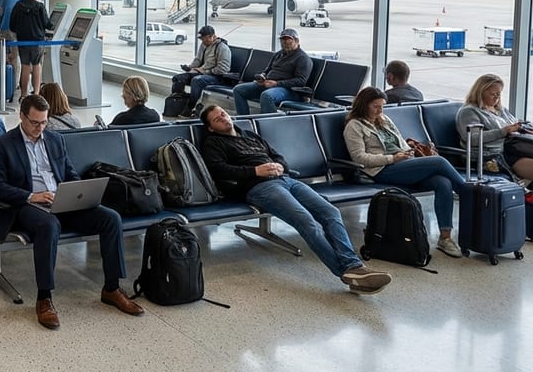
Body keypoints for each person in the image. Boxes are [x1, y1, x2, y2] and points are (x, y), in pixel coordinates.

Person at [198, 106, 393, 294]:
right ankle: (346, 272)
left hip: (286, 179)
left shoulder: (249, 135)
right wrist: (255, 171)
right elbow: (218, 170)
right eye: (217, 119)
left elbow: (277, 156)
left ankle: (353, 266)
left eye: (223, 113)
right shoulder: (213, 143)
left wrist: (280, 166)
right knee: (306, 220)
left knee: (330, 212)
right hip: (260, 187)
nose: (223, 118)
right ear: (210, 128)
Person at [0, 95, 143, 328]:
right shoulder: (2, 145)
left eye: (44, 122)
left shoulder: (55, 139)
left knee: (110, 218)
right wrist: (31, 196)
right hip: (26, 205)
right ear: (21, 116)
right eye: (34, 122)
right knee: (48, 225)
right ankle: (44, 297)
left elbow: (70, 174)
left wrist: (76, 192)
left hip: (61, 201)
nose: (40, 128)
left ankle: (111, 288)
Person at [343, 87, 466, 256]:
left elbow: (401, 142)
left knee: (442, 183)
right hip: (381, 169)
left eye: (382, 106)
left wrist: (409, 153)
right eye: (376, 106)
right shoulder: (354, 126)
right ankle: (467, 193)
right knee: (439, 162)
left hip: (403, 164)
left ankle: (445, 238)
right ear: (364, 105)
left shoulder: (384, 120)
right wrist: (392, 158)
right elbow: (359, 158)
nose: (380, 110)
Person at [456, 73, 533, 183]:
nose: (497, 97)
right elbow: (472, 138)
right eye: (493, 94)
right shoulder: (469, 112)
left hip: (512, 149)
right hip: (492, 156)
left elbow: (515, 122)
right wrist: (503, 131)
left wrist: (522, 126)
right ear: (480, 92)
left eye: (499, 93)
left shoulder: (501, 110)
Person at [231, 28, 313, 115]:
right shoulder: (278, 54)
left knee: (267, 96)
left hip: (289, 90)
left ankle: (267, 122)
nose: (284, 42)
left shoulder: (302, 58)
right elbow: (267, 70)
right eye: (282, 40)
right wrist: (262, 76)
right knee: (238, 90)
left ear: (297, 41)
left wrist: (276, 83)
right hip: (269, 85)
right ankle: (244, 119)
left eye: (288, 40)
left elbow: (301, 81)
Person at [170, 25, 230, 115]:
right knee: (178, 79)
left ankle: (190, 107)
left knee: (197, 81)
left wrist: (205, 71)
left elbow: (223, 69)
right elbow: (198, 60)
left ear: (212, 36)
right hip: (202, 73)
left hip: (216, 76)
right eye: (202, 40)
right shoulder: (204, 45)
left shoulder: (222, 48)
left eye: (205, 39)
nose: (203, 42)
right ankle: (177, 103)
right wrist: (190, 68)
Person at [9, 0, 52, 99]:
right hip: (37, 40)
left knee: (25, 66)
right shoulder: (40, 6)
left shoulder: (19, 5)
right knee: (37, 65)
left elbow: (12, 24)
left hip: (22, 40)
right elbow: (47, 24)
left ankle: (24, 94)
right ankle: (36, 93)